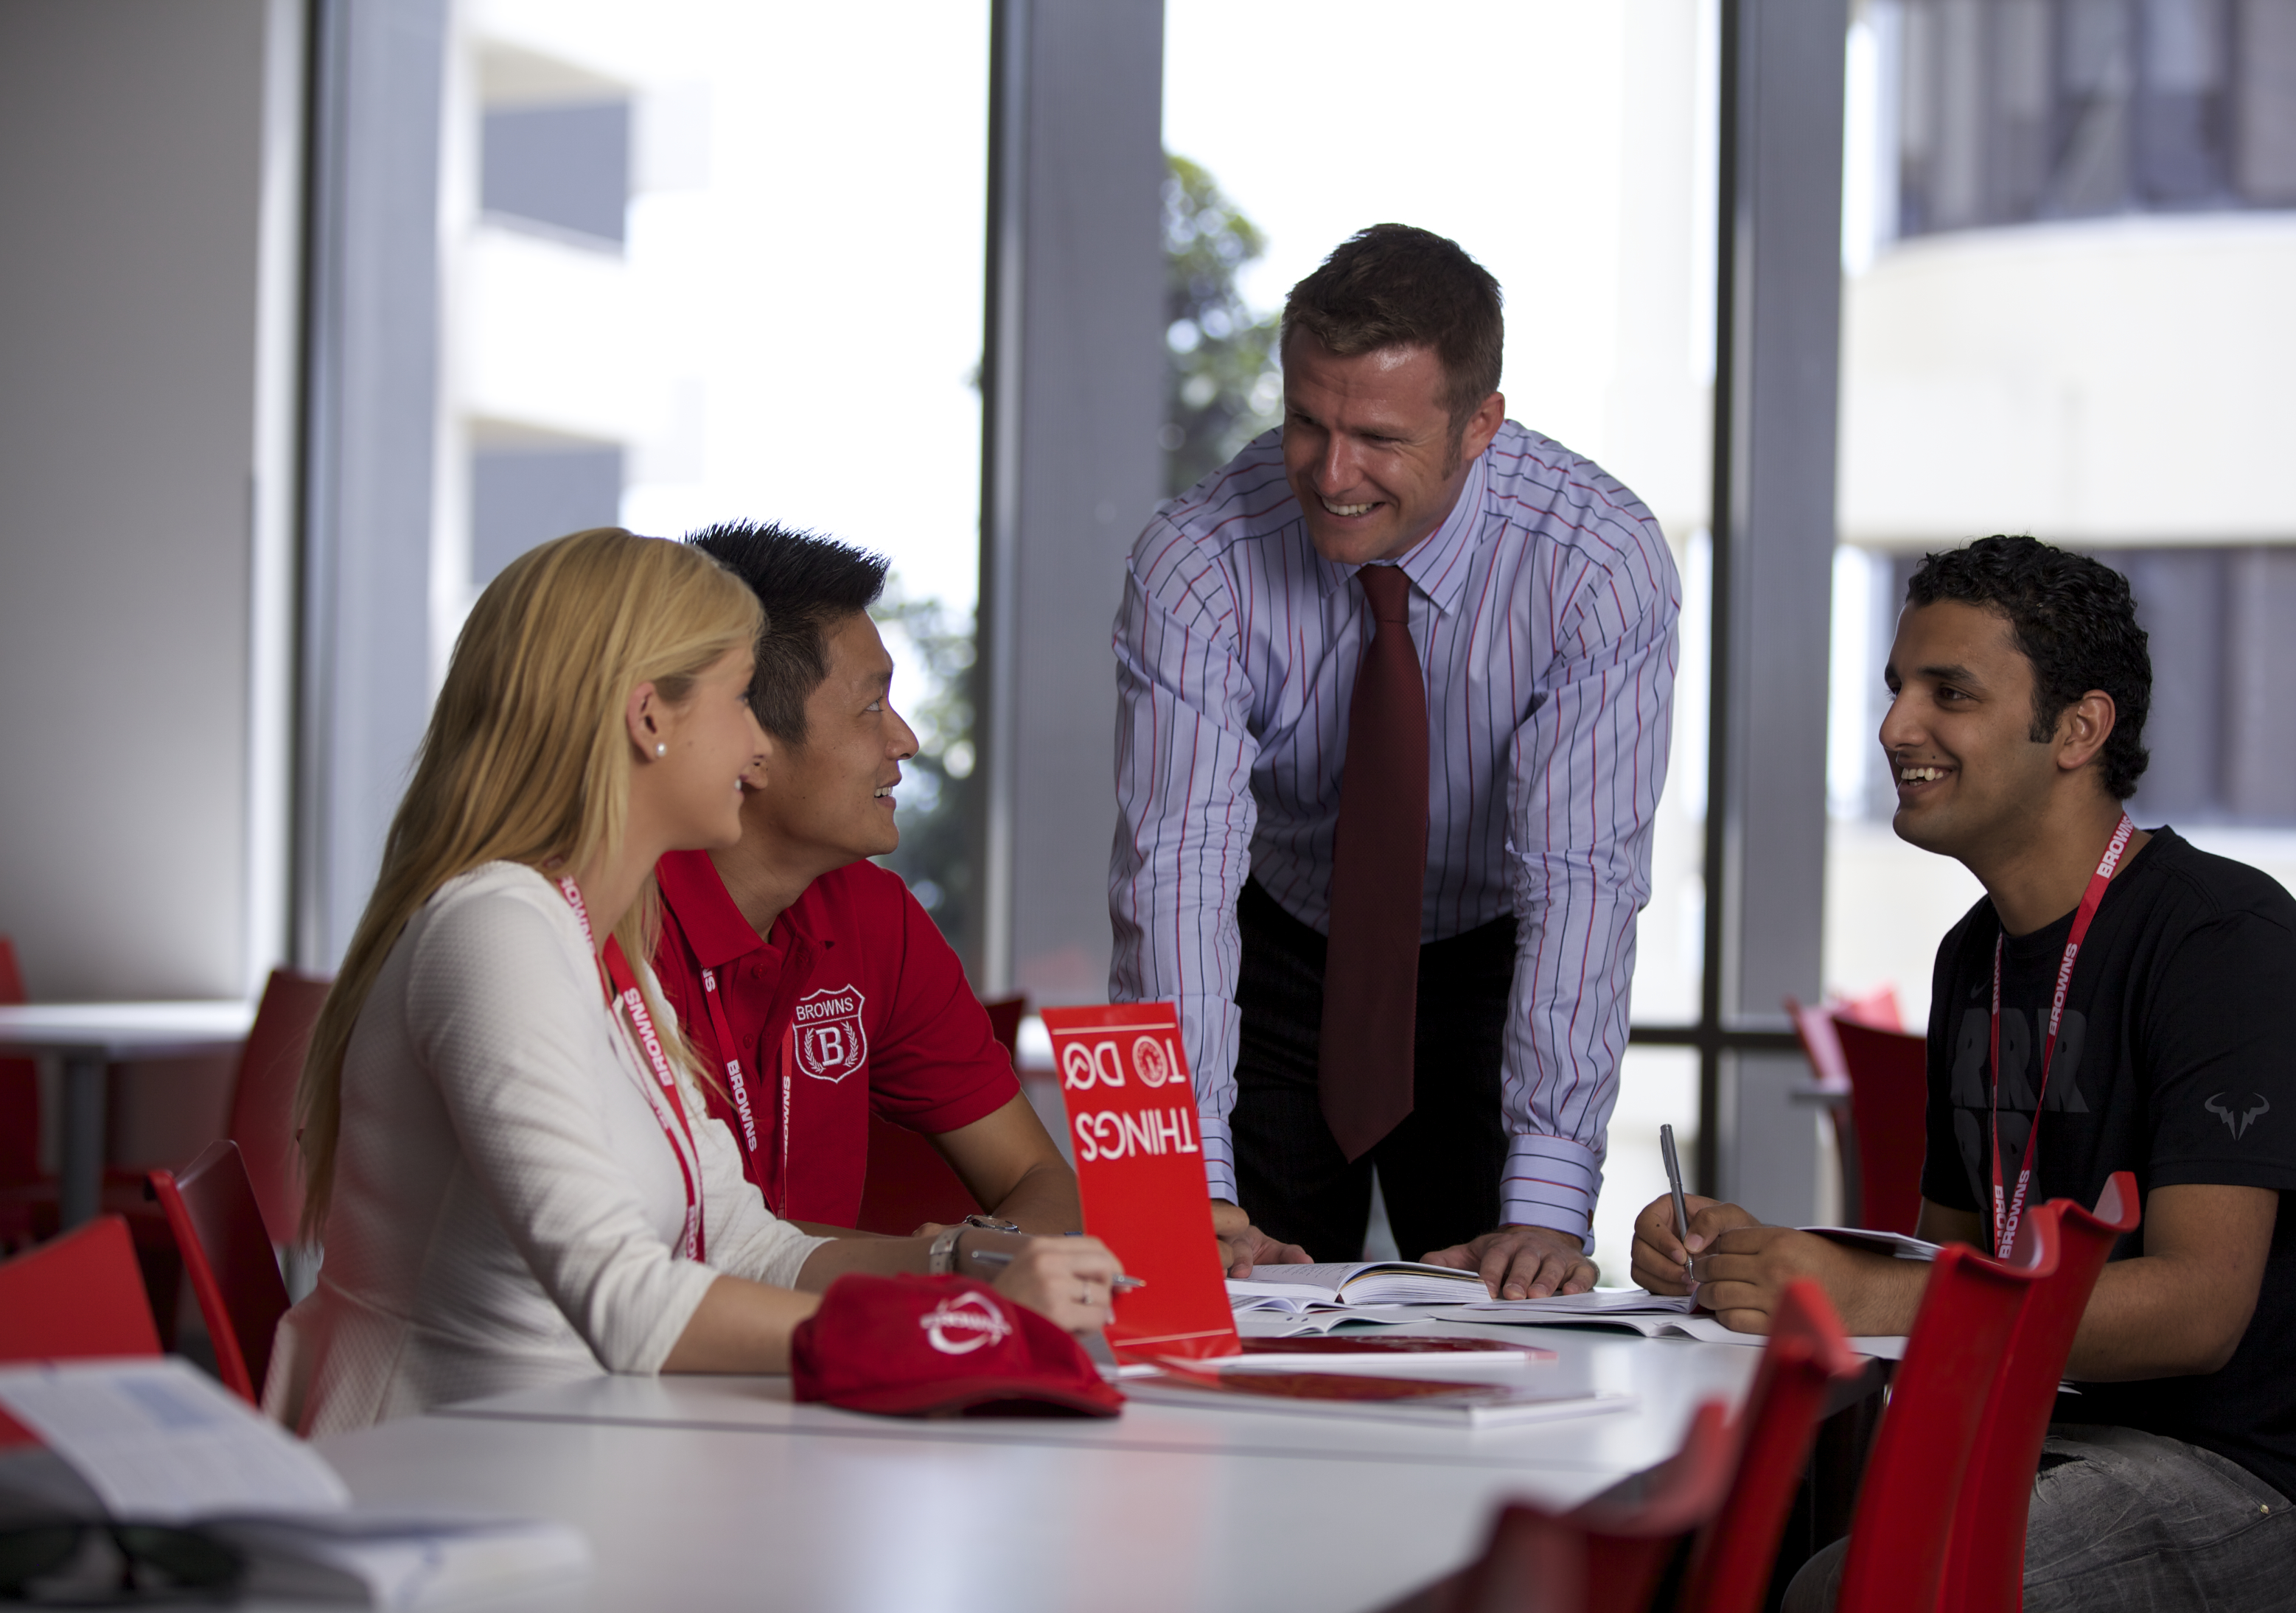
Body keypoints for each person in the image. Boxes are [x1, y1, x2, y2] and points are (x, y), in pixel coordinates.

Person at [1634, 537, 2296, 1613]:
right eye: (1896, 689)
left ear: (2078, 729)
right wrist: (1768, 1258)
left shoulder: (2224, 943)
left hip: (2245, 1492)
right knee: (1702, 1551)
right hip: (2028, 1445)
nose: (1893, 727)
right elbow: (1942, 1267)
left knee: (1870, 1605)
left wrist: (1862, 1295)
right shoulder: (1971, 955)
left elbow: (2195, 1309)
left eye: (1950, 693)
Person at [267, 530, 1119, 1436]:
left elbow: (743, 1240)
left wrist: (973, 1266)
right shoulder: (496, 930)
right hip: (441, 1486)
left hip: (573, 1451)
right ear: (650, 720)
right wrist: (958, 1321)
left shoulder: (597, 936)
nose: (756, 745)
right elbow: (625, 1297)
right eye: (736, 702)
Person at [1112, 224, 1681, 1296]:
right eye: (1305, 423)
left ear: (1479, 425)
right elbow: (1173, 875)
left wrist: (1549, 1208)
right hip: (1268, 947)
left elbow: (1583, 881)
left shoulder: (1596, 563)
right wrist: (1178, 1183)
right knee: (1208, 1303)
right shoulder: (1193, 562)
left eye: (1376, 437)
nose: (1331, 475)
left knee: (1504, 1324)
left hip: (1490, 962)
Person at [649, 521, 1078, 1248]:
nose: (905, 738)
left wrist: (980, 1263)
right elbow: (651, 1254)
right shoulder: (603, 920)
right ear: (747, 740)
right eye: (871, 704)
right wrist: (943, 1266)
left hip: (823, 1350)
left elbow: (1043, 1180)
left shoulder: (874, 913)